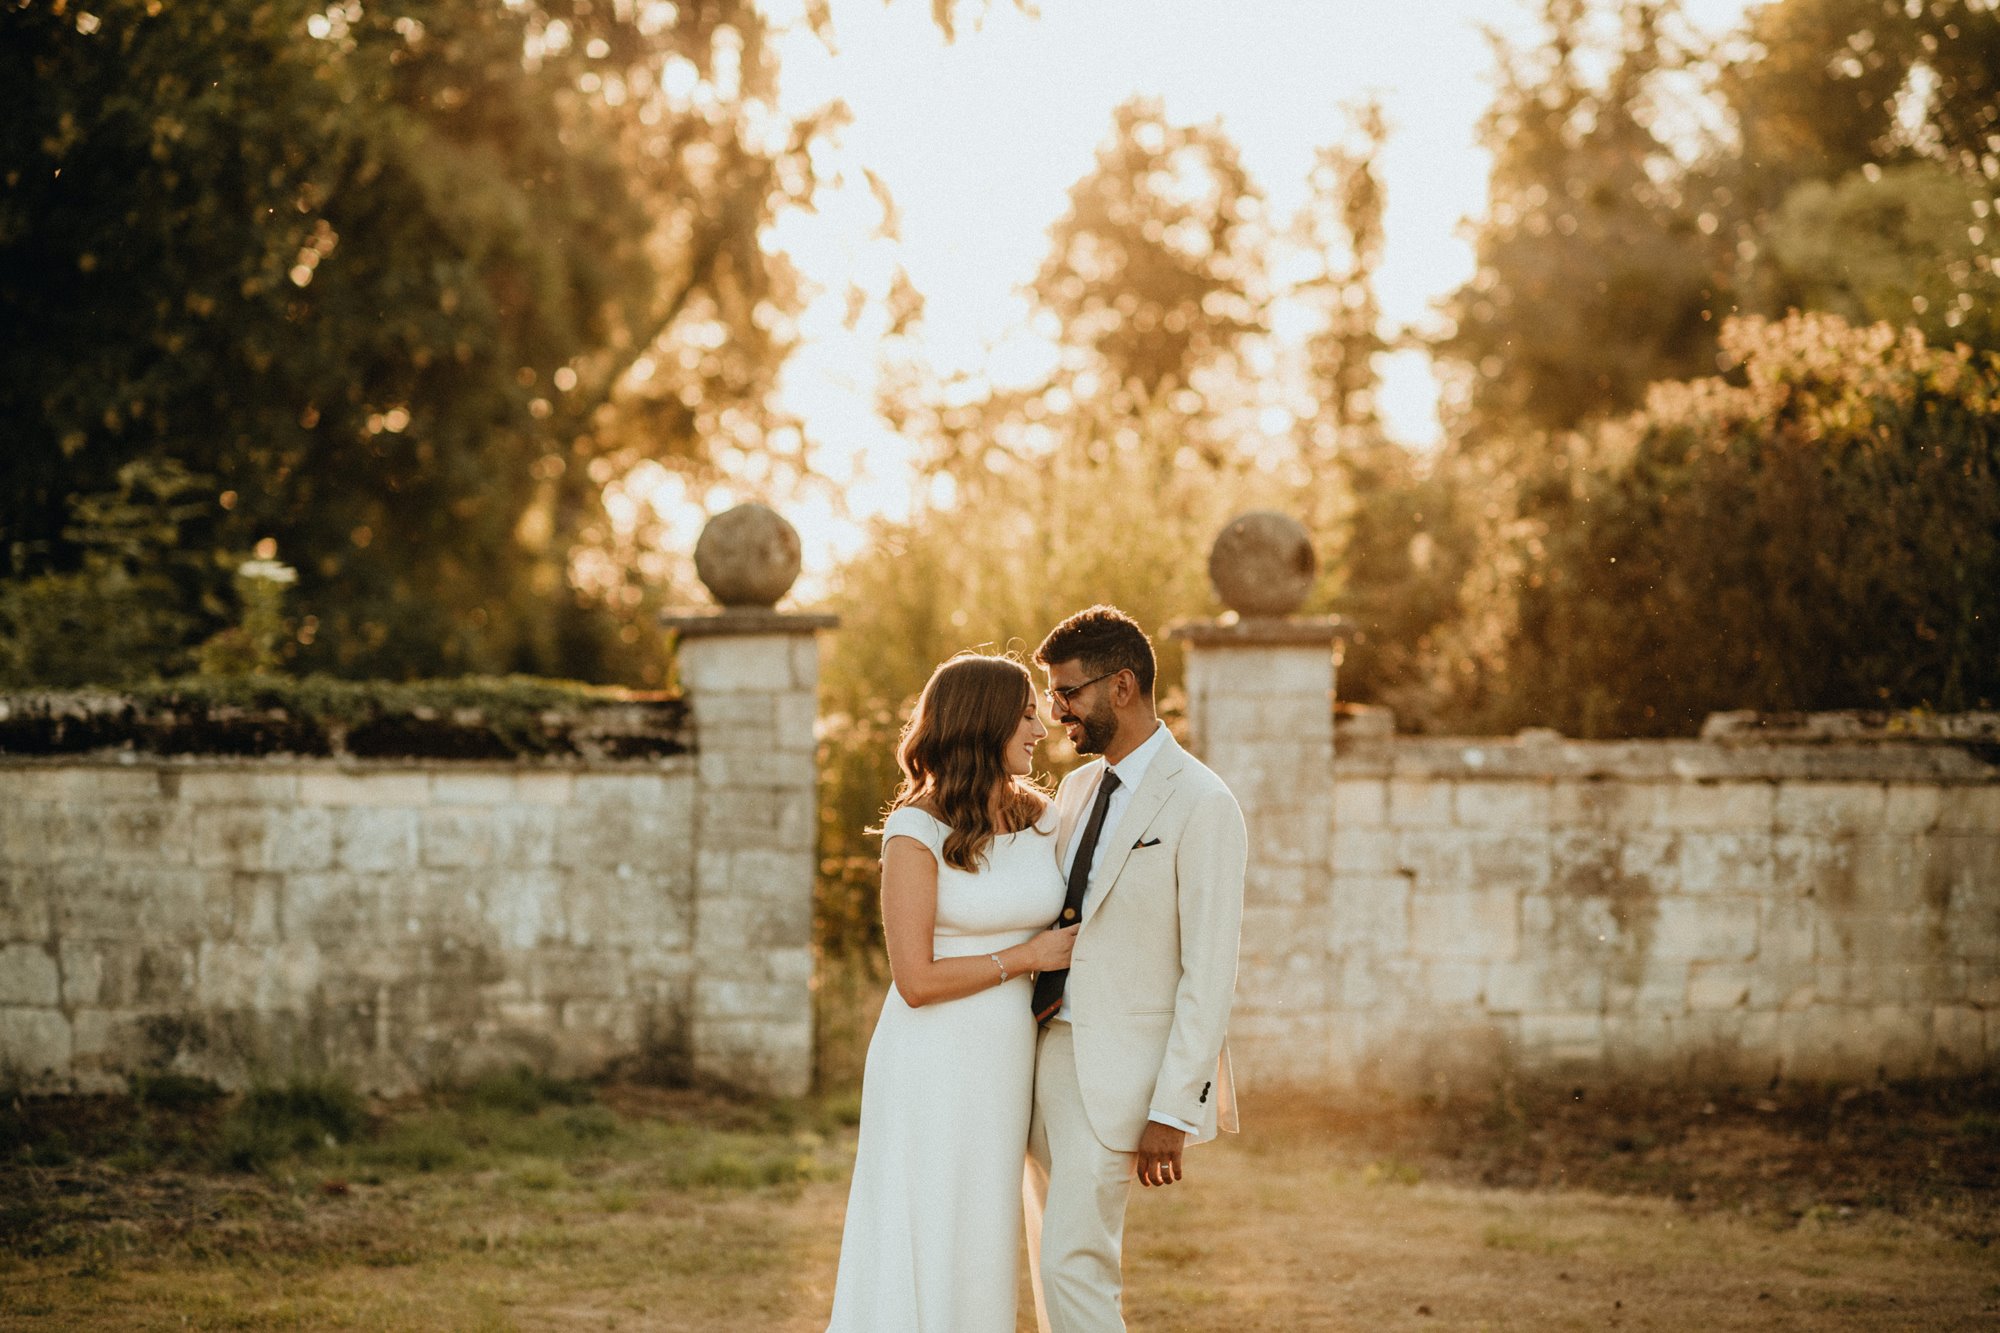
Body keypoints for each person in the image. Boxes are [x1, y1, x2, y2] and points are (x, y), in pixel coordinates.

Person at [826, 652, 1077, 1333]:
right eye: (1025, 714)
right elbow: (916, 979)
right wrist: (1026, 955)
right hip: (929, 1056)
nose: (1039, 728)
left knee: (982, 1227)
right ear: (982, 720)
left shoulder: (1050, 820)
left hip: (1006, 1058)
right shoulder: (915, 830)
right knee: (925, 1221)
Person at [1024, 605, 1247, 1333]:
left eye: (1068, 692)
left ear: (1121, 686)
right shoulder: (1078, 790)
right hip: (1039, 1054)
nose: (1057, 710)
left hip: (1122, 1075)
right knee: (1040, 1251)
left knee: (1074, 1262)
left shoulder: (1204, 802)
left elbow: (1208, 971)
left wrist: (1174, 1108)